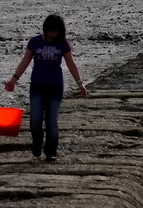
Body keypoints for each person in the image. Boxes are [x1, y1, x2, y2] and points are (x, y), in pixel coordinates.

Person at [6, 14, 87, 161]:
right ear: (45, 29)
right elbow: (25, 61)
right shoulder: (35, 42)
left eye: (55, 31)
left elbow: (71, 64)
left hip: (56, 87)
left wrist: (80, 83)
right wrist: (14, 79)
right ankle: (37, 142)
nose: (52, 34)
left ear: (60, 31)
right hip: (37, 86)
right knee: (36, 118)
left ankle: (51, 152)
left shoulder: (63, 43)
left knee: (51, 120)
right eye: (49, 30)